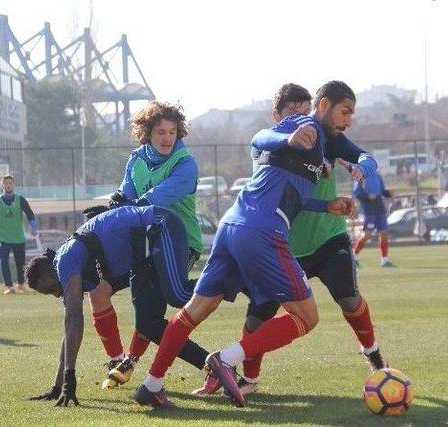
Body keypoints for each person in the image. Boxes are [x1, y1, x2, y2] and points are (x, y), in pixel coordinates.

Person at [134, 81, 357, 408]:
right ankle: (225, 359)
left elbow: (289, 195)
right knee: (306, 317)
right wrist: (287, 136)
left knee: (195, 310)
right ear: (322, 107)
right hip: (263, 232)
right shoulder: (306, 126)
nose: (348, 120)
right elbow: (259, 136)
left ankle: (151, 384)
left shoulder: (307, 153)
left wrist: (327, 205)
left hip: (233, 225)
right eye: (345, 111)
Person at [194, 83, 385, 397]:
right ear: (277, 117)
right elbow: (262, 143)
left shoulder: (326, 137)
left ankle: (375, 358)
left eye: (303, 108)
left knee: (349, 299)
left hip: (327, 238)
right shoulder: (271, 147)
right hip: (279, 245)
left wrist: (362, 167)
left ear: (315, 106)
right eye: (290, 113)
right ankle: (248, 379)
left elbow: (362, 154)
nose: (298, 117)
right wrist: (287, 138)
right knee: (257, 319)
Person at [25, 205, 210, 406]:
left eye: (51, 290)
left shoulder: (65, 261)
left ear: (49, 275)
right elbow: (69, 329)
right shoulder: (64, 268)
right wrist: (59, 384)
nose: (56, 295)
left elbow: (74, 318)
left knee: (178, 294)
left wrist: (70, 377)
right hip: (142, 254)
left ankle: (227, 277)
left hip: (160, 225)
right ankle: (212, 365)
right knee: (149, 324)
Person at [82, 101, 203, 386]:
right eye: (160, 131)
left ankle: (133, 362)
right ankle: (117, 359)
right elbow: (126, 195)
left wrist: (121, 206)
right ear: (147, 132)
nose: (167, 138)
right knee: (98, 290)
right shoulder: (136, 159)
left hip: (179, 244)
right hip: (142, 243)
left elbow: (152, 200)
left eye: (173, 132)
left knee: (152, 306)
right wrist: (113, 203)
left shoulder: (186, 164)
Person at [0, 175, 37, 294]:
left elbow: (30, 214)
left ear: (13, 185)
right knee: (4, 261)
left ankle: (21, 285)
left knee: (21, 263)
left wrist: (33, 227)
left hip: (18, 237)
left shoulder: (20, 200)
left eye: (10, 183)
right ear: (2, 185)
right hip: (3, 238)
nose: (8, 185)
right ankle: (9, 287)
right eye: (6, 183)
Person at [352, 171, 395, 267]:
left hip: (380, 207)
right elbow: (357, 193)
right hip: (369, 209)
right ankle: (353, 257)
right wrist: (367, 196)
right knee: (367, 235)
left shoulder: (377, 175)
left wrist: (388, 194)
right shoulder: (360, 175)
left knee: (384, 233)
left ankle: (384, 260)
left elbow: (382, 191)